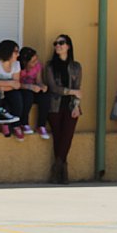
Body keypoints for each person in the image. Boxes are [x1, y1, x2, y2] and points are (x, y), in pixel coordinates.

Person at [46, 34, 82, 184]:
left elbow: (78, 87)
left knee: (67, 137)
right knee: (58, 137)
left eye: (61, 43)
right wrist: (71, 92)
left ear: (68, 46)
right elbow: (53, 87)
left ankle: (58, 168)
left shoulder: (76, 66)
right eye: (56, 43)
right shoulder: (50, 65)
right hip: (54, 106)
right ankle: (62, 173)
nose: (58, 46)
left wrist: (77, 105)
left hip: (70, 106)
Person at [0, 40, 25, 141]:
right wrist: (10, 83)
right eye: (16, 51)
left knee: (17, 98)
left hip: (6, 89)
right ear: (7, 51)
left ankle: (16, 125)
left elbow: (16, 84)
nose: (18, 54)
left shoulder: (16, 64)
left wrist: (4, 87)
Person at [18, 46, 50, 139]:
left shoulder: (38, 66)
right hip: (22, 89)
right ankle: (24, 123)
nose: (36, 63)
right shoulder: (18, 67)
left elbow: (38, 80)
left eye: (36, 59)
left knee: (45, 96)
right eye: (33, 61)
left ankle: (41, 125)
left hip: (33, 88)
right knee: (28, 96)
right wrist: (29, 87)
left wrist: (42, 86)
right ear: (25, 62)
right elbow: (16, 84)